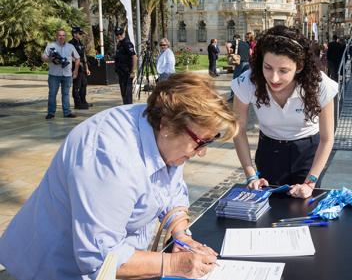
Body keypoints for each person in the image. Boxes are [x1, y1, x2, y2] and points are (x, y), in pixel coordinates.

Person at [0, 73, 238, 280]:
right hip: (51, 271)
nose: (202, 152)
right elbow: (99, 259)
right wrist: (177, 264)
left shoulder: (165, 135)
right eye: (201, 142)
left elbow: (172, 192)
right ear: (166, 124)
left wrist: (182, 237)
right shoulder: (109, 157)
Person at [231, 26, 338, 199]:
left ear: (299, 66)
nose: (273, 78)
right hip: (269, 150)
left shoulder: (320, 85)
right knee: (269, 206)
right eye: (268, 67)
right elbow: (238, 130)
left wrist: (310, 182)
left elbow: (327, 138)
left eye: (283, 71)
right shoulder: (248, 81)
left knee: (305, 205)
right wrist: (251, 175)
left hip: (308, 151)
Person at [42, 29, 80, 119]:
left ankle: (67, 113)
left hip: (67, 75)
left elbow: (77, 58)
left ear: (65, 36)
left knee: (66, 94)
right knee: (52, 94)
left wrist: (76, 70)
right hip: (54, 75)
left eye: (63, 35)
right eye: (60, 35)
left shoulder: (70, 46)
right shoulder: (51, 46)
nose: (61, 37)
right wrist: (51, 59)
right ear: (56, 36)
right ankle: (51, 113)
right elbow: (43, 57)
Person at [69, 26, 91, 110]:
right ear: (74, 34)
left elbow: (84, 55)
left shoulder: (80, 43)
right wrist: (77, 61)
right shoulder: (70, 44)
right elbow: (69, 56)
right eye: (80, 33)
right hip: (75, 67)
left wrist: (87, 67)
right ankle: (77, 103)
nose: (81, 35)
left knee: (84, 84)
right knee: (76, 85)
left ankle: (83, 101)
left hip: (82, 68)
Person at [114, 27, 138, 105]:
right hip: (121, 72)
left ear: (124, 33)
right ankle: (125, 106)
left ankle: (127, 107)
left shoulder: (127, 43)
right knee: (123, 92)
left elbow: (134, 57)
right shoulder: (120, 44)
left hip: (127, 72)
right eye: (117, 35)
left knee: (127, 93)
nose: (119, 36)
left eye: (120, 34)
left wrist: (133, 71)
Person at [228, 34, 250, 101]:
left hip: (240, 63)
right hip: (247, 63)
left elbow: (227, 45)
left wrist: (229, 53)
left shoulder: (236, 41)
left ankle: (232, 97)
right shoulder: (246, 44)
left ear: (235, 38)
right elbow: (251, 52)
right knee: (243, 80)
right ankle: (243, 97)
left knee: (235, 80)